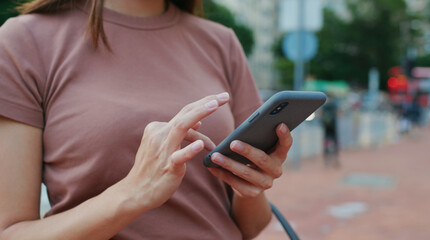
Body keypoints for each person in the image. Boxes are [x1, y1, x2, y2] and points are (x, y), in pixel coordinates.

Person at [0, 0, 293, 239]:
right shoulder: (24, 40)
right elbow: (11, 232)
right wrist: (133, 193)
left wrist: (250, 183)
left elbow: (250, 226)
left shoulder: (222, 42)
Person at [320, 95, 340, 168]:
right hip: (333, 126)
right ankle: (335, 161)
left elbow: (320, 114)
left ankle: (326, 161)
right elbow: (339, 112)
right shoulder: (334, 104)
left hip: (326, 127)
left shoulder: (324, 105)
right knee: (335, 143)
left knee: (326, 144)